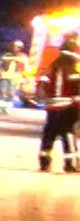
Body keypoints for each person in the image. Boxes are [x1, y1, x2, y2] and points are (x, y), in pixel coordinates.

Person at [35, 32, 80, 172]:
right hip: (69, 104)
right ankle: (71, 163)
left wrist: (42, 96)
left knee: (50, 132)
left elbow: (43, 81)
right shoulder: (76, 63)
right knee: (68, 133)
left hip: (51, 105)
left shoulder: (53, 63)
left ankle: (44, 162)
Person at [0, 40, 31, 113]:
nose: (15, 48)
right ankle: (1, 106)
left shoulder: (23, 57)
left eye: (17, 47)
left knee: (11, 93)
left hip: (15, 77)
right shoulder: (6, 55)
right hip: (5, 76)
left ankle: (7, 105)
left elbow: (27, 67)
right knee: (3, 91)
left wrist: (27, 77)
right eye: (14, 46)